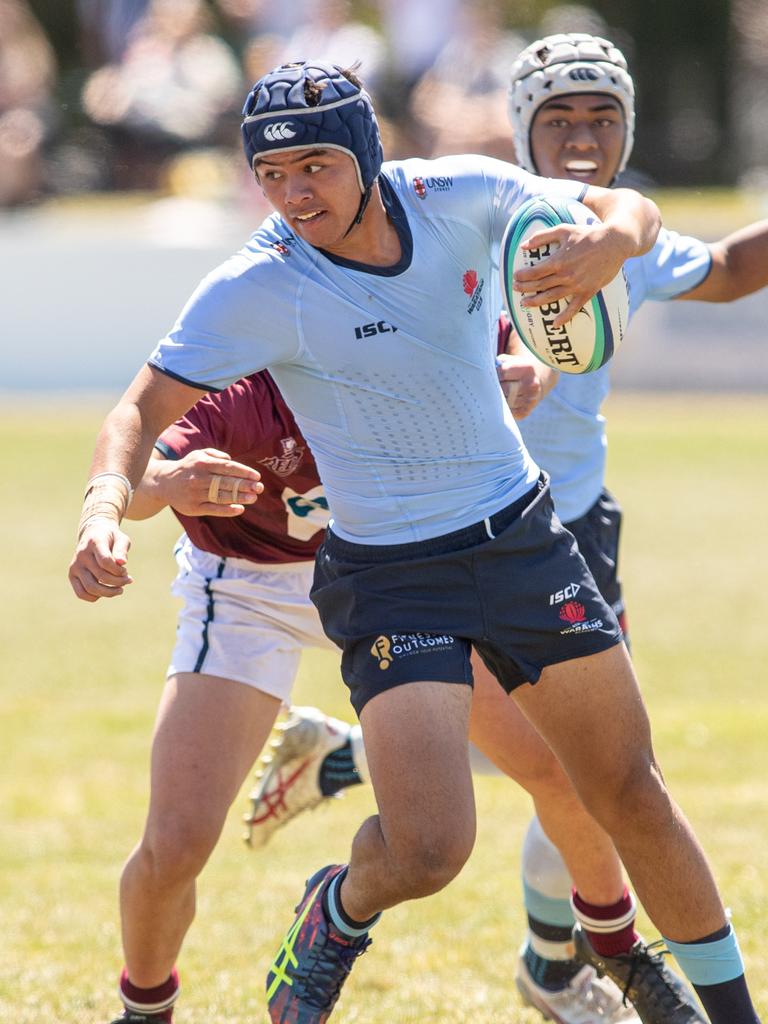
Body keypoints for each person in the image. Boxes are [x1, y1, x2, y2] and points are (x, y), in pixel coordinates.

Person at [66, 61, 760, 1024]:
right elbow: (137, 411)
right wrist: (107, 504)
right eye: (272, 175)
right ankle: (336, 907)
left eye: (314, 166)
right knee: (431, 849)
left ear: (364, 151)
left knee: (627, 790)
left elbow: (620, 207)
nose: (294, 194)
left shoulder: (458, 193)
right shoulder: (260, 284)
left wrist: (609, 241)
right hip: (391, 577)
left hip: (522, 540)